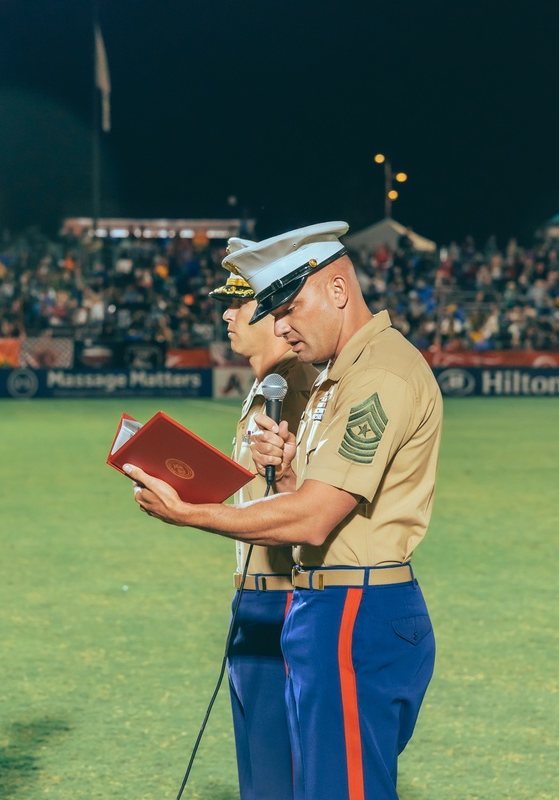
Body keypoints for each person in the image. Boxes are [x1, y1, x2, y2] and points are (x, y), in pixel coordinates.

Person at [126, 221, 442, 800]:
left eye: (291, 306)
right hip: (328, 602)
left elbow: (316, 518)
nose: (282, 325)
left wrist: (191, 513)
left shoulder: (378, 375)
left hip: (353, 608)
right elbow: (318, 503)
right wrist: (293, 477)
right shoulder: (340, 377)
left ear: (339, 291)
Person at [208, 263, 319, 800]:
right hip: (253, 597)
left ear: (276, 316)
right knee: (258, 768)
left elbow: (305, 502)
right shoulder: (267, 387)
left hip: (282, 600)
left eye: (238, 305)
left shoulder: (294, 387)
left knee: (278, 768)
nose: (226, 315)